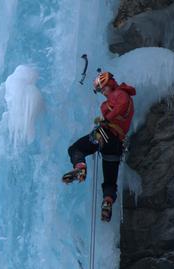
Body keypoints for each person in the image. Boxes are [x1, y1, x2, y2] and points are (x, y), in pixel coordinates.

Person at [62, 72, 136, 222]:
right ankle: (107, 203)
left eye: (104, 89)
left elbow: (121, 106)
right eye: (102, 91)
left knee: (76, 149)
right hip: (116, 145)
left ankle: (80, 167)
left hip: (105, 134)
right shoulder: (117, 96)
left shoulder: (120, 93)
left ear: (110, 84)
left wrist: (105, 119)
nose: (104, 92)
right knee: (110, 182)